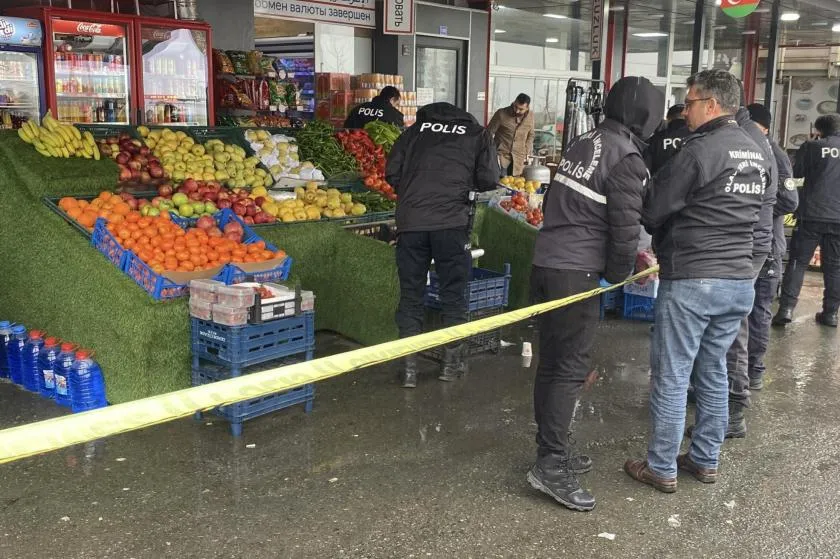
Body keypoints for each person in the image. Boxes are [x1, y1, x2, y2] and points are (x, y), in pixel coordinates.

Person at [624, 70, 767, 493]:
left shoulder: (698, 150)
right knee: (714, 372)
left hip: (694, 278)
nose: (684, 111)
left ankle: (662, 466)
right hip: (739, 280)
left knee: (672, 374)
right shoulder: (754, 150)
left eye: (689, 103)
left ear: (712, 104)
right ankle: (705, 459)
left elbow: (653, 211)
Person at [527, 76, 664, 512]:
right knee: (569, 369)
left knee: (552, 363)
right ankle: (549, 464)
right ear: (646, 115)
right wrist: (619, 274)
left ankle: (551, 448)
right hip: (577, 271)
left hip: (548, 262)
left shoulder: (586, 139)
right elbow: (625, 231)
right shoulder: (627, 158)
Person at [385, 102, 500, 388]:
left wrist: (415, 195)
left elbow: (392, 173)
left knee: (412, 294)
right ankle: (450, 364)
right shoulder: (476, 133)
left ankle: (409, 369)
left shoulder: (414, 132)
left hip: (411, 224)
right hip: (451, 225)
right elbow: (489, 179)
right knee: (454, 294)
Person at [744, 103, 798, 390]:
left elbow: (790, 201)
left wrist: (757, 206)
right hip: (745, 246)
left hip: (767, 246)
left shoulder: (773, 153)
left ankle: (754, 370)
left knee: (759, 309)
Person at [773, 113, 840, 328]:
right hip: (838, 217)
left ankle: (786, 310)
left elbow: (796, 172)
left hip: (811, 214)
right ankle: (830, 314)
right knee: (835, 267)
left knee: (797, 262)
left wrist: (812, 142)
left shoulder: (812, 147)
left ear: (819, 130)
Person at [487, 93, 535, 176]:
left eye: (521, 109)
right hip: (501, 156)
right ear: (514, 102)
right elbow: (488, 133)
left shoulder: (531, 116)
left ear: (527, 108)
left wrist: (526, 150)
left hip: (519, 158)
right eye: (515, 106)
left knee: (515, 184)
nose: (517, 110)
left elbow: (531, 135)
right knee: (501, 183)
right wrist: (490, 152)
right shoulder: (501, 113)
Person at [644, 104, 690, 175]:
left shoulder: (655, 140)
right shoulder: (698, 138)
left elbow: (646, 170)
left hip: (659, 184)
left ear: (668, 118)